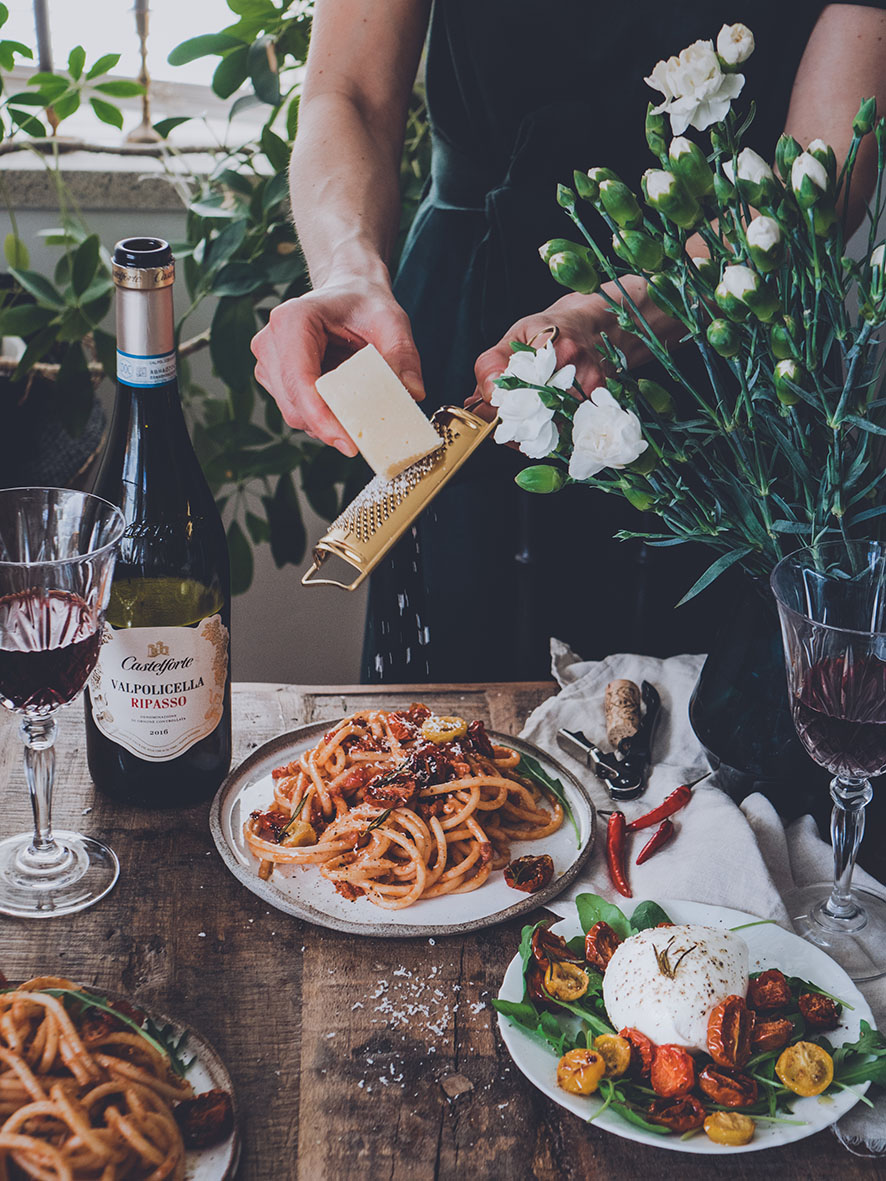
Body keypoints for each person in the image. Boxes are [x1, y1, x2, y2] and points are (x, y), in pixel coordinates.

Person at [252, 2, 886, 683]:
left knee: (707, 747)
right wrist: (349, 270)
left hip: (731, 353)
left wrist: (628, 313)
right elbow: (347, 92)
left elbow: (826, 170)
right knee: (446, 741)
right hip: (464, 304)